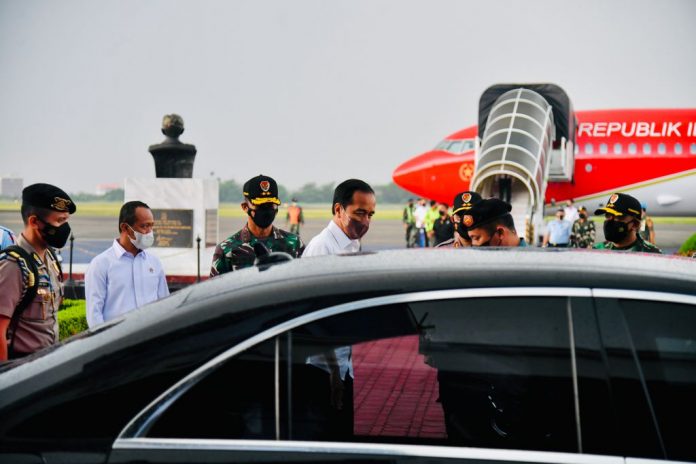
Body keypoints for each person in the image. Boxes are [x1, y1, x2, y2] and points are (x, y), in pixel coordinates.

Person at [301, 179, 376, 440]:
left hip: (341, 365)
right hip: (322, 368)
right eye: (359, 213)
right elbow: (314, 315)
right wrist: (334, 374)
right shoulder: (323, 248)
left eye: (370, 214)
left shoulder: (351, 244)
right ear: (338, 210)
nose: (366, 222)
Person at [0, 184, 75, 361]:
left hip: (46, 366)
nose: (65, 228)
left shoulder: (50, 258)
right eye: (59, 221)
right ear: (34, 222)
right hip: (22, 369)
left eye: (66, 220)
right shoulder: (14, 265)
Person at [85, 201, 169, 328]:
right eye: (144, 226)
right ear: (125, 228)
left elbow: (165, 304)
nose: (150, 232)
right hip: (118, 341)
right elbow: (94, 313)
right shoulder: (101, 264)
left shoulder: (154, 263)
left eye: (151, 226)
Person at [211, 175, 304, 276]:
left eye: (271, 205)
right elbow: (216, 288)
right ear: (245, 207)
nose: (267, 210)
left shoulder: (294, 243)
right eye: (260, 205)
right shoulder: (227, 250)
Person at [593, 193, 661, 253]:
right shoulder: (597, 251)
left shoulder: (651, 254)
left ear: (635, 224)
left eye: (618, 217)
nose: (610, 221)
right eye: (608, 215)